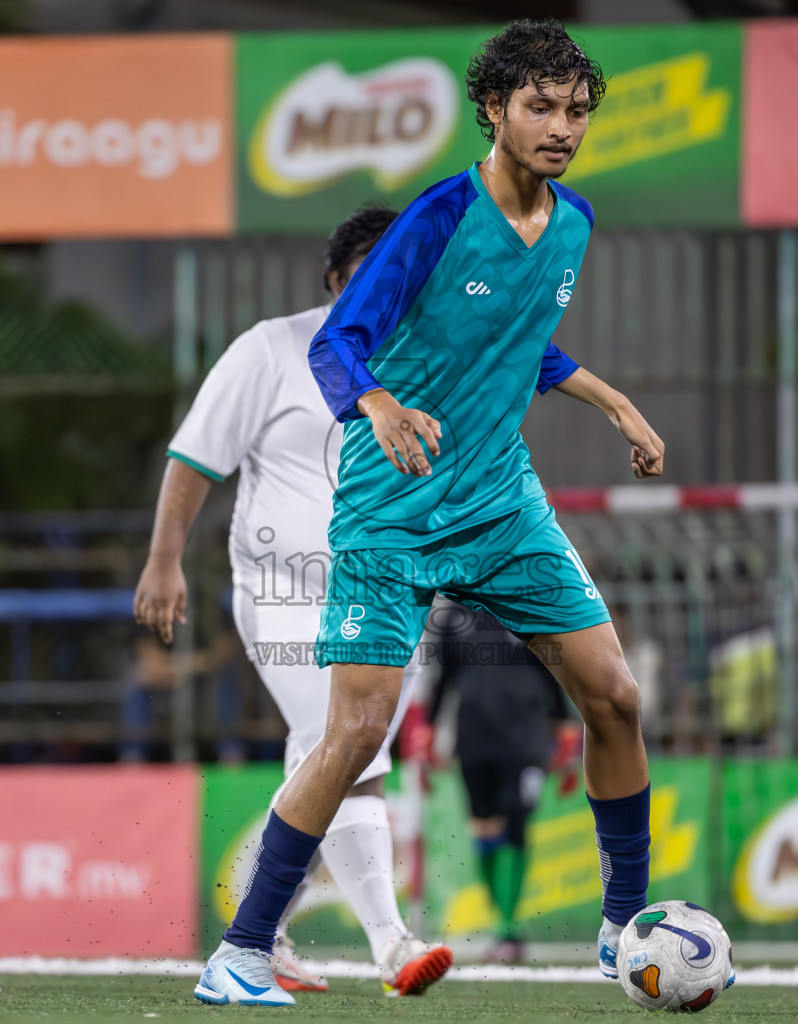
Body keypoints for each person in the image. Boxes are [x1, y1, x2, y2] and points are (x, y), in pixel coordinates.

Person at [194, 20, 667, 1007]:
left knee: (616, 695)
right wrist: (378, 402)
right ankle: (240, 951)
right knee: (356, 733)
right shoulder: (436, 219)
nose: (563, 126)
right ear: (493, 109)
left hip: (500, 502)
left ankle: (625, 926)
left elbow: (516, 344)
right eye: (541, 106)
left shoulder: (572, 223)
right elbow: (340, 344)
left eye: (577, 110)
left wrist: (616, 401)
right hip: (392, 500)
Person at [137, 204, 448, 998]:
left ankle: (262, 935)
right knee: (349, 743)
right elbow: (195, 459)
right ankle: (391, 943)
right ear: (339, 280)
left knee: (323, 759)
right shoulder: (273, 348)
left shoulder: (431, 362)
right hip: (282, 594)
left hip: (386, 593)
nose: (394, 285)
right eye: (377, 270)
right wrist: (165, 561)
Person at [419, 599, 581, 964]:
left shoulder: (525, 608)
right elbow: (444, 676)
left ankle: (509, 927)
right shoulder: (456, 617)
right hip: (473, 741)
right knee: (485, 829)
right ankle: (501, 923)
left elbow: (551, 672)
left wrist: (566, 728)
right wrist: (428, 729)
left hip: (526, 742)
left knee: (517, 826)